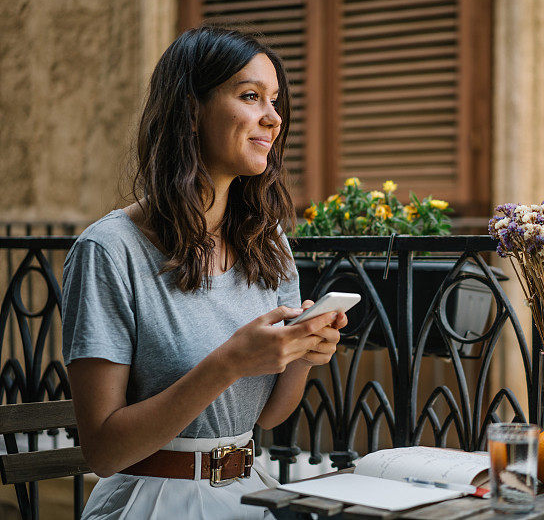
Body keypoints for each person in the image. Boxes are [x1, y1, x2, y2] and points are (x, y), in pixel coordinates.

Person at [61, 26, 345, 519]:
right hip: (152, 499)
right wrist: (229, 361)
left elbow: (268, 415)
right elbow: (104, 452)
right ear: (191, 109)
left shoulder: (266, 241)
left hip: (249, 492)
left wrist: (301, 354)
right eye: (251, 96)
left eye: (275, 100)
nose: (273, 118)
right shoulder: (109, 250)